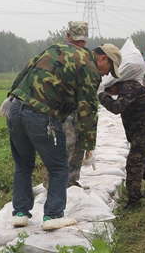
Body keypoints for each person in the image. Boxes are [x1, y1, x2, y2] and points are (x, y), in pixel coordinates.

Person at [7, 42, 121, 230]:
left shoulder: (59, 47)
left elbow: (28, 68)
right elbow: (88, 109)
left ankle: (20, 213)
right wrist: (89, 145)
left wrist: (12, 95)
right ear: (104, 58)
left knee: (23, 164)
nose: (105, 74)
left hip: (16, 109)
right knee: (59, 166)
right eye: (108, 69)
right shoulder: (90, 69)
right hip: (41, 114)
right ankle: (53, 215)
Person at [99, 75, 145, 208]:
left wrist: (101, 95)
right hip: (144, 126)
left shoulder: (130, 86)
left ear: (114, 86)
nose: (113, 95)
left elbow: (117, 107)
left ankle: (134, 200)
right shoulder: (131, 82)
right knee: (143, 158)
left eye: (110, 92)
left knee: (134, 162)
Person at [61, 21, 89, 188]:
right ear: (68, 36)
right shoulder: (58, 54)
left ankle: (72, 179)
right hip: (62, 108)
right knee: (66, 144)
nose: (79, 44)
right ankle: (55, 182)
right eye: (76, 40)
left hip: (79, 106)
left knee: (79, 143)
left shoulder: (87, 57)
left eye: (82, 40)